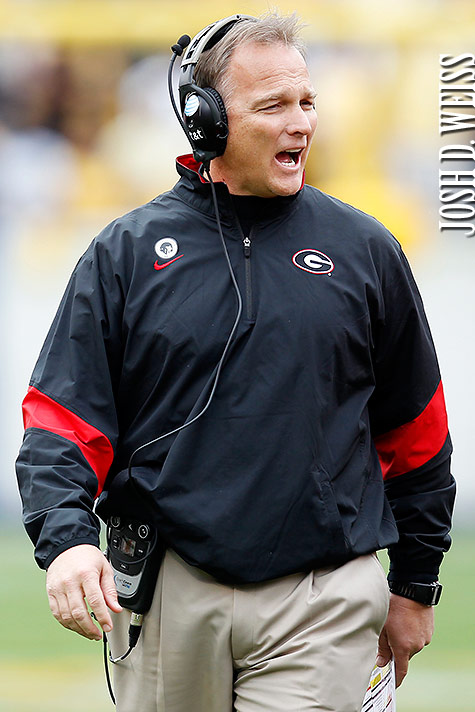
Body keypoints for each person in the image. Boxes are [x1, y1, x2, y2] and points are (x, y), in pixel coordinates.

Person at [16, 12, 455, 712]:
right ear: (206, 120)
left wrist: (414, 585)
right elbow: (63, 422)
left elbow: (418, 434)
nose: (300, 123)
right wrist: (66, 541)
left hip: (323, 595)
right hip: (165, 593)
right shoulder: (125, 253)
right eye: (273, 105)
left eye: (307, 101)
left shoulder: (367, 249)